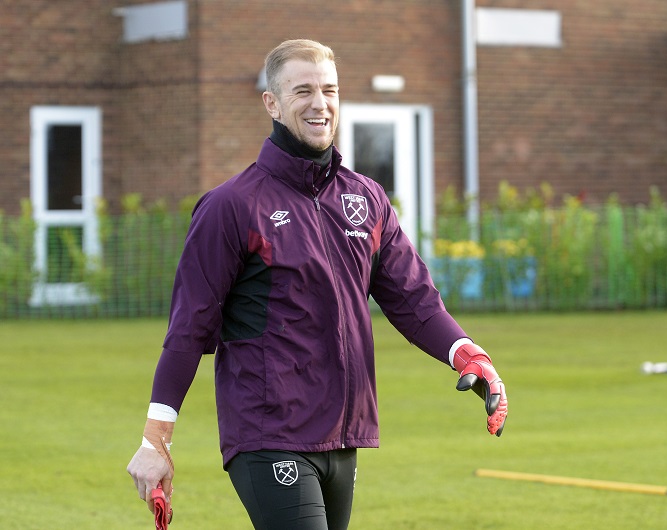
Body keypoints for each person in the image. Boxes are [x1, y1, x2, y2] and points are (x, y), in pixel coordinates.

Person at [127, 38, 507, 530]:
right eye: (302, 90)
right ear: (273, 103)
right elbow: (188, 329)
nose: (319, 103)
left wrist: (468, 354)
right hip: (268, 432)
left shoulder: (366, 198)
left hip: (343, 435)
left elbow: (414, 300)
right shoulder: (232, 206)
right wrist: (156, 440)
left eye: (329, 89)